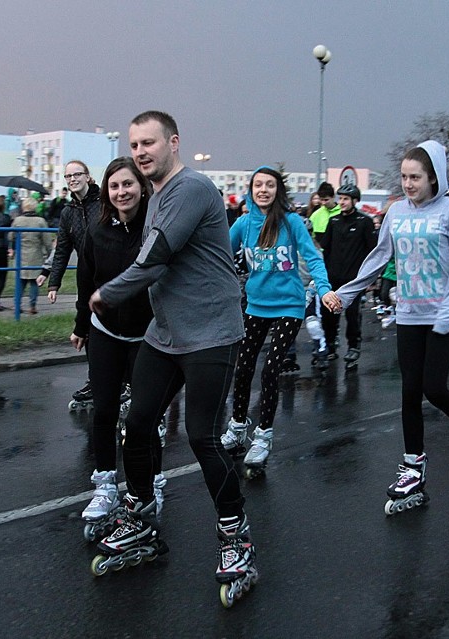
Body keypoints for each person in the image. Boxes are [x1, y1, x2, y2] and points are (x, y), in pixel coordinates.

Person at [88, 111, 257, 597]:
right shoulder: (158, 194)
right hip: (165, 333)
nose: (140, 152)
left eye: (148, 143)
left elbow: (154, 257)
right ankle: (140, 513)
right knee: (137, 423)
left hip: (209, 332)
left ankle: (235, 535)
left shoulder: (192, 189)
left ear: (174, 143)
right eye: (134, 144)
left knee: (203, 437)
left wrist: (106, 295)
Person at [324, 141, 449, 514]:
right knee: (410, 393)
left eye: (415, 177)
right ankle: (413, 465)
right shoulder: (397, 212)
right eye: (404, 177)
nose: (409, 183)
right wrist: (346, 294)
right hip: (409, 313)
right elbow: (380, 256)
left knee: (434, 387)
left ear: (433, 177)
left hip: (441, 314)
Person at [72, 157, 166, 537]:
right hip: (105, 332)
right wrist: (82, 325)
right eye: (114, 186)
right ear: (107, 192)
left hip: (148, 335)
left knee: (145, 418)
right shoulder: (97, 231)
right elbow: (85, 281)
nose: (121, 192)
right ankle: (106, 485)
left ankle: (154, 485)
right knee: (104, 410)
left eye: (128, 184)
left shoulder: (156, 228)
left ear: (142, 187)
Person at [220, 166, 331, 473]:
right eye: (258, 185)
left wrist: (323, 289)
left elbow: (311, 257)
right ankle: (238, 425)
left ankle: (263, 436)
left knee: (270, 370)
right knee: (242, 367)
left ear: (277, 190)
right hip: (256, 304)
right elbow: (218, 255)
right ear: (251, 190)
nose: (264, 190)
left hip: (289, 306)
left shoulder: (291, 222)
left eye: (270, 185)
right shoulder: (243, 224)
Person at [38, 160, 101, 406]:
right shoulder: (68, 212)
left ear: (88, 176)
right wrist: (53, 282)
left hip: (109, 272)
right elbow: (62, 248)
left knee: (113, 326)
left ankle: (124, 381)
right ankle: (95, 380)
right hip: (86, 275)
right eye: (68, 176)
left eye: (77, 174)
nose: (73, 179)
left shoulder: (103, 203)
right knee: (87, 326)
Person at [319, 184, 376, 364]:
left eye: (345, 199)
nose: (341, 202)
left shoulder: (364, 222)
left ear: (355, 201)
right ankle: (330, 343)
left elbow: (372, 251)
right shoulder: (334, 221)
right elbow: (325, 248)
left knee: (352, 314)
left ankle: (353, 345)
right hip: (333, 276)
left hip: (354, 279)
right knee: (328, 313)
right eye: (340, 198)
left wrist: (370, 279)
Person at [9, 194, 53, 314]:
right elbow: (47, 241)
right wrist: (51, 255)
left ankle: (17, 305)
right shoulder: (40, 221)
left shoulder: (18, 220)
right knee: (34, 282)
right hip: (36, 255)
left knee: (20, 282)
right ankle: (32, 306)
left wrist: (12, 248)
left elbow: (10, 236)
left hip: (21, 256)